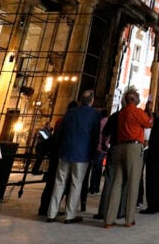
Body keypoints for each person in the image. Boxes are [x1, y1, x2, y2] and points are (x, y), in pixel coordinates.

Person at [46, 90, 101, 224]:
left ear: (80, 101)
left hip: (66, 151)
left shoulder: (70, 112)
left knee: (59, 181)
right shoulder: (94, 114)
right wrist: (93, 153)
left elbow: (62, 132)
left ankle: (51, 213)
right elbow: (95, 136)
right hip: (82, 153)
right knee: (76, 183)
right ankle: (70, 215)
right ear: (92, 101)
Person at [103, 87, 151, 228]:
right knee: (133, 183)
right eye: (137, 97)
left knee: (117, 183)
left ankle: (109, 219)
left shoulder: (122, 113)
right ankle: (129, 219)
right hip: (133, 148)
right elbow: (148, 123)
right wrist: (148, 113)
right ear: (134, 99)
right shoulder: (136, 112)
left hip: (119, 147)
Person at [141, 99, 159, 215]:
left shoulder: (158, 121)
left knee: (151, 180)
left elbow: (154, 139)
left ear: (158, 107)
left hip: (154, 155)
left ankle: (151, 206)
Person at [88, 109, 109, 194]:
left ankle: (92, 187)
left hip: (99, 147)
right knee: (99, 167)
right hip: (105, 148)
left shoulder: (100, 122)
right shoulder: (108, 121)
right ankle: (96, 187)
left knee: (95, 168)